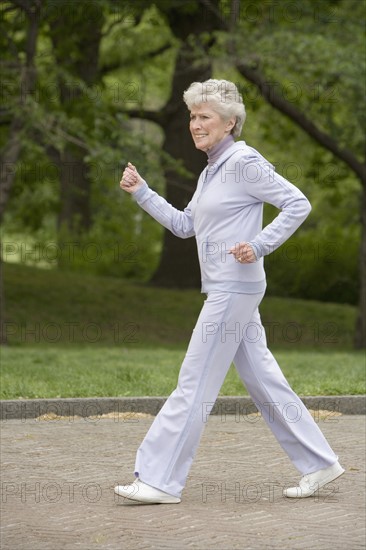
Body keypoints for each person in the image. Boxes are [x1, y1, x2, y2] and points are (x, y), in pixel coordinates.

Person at [115, 79, 344, 504]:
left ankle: (158, 481)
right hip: (229, 288)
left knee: (194, 382)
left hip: (234, 289)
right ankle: (320, 463)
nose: (194, 124)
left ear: (230, 123)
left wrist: (258, 245)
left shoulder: (243, 162)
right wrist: (142, 193)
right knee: (265, 382)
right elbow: (186, 226)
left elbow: (298, 203)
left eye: (204, 117)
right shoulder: (211, 171)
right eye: (192, 117)